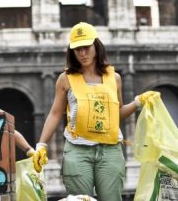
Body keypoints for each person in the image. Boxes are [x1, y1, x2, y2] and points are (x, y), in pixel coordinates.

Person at [32, 22, 152, 201]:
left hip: (110, 151)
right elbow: (56, 113)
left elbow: (116, 115)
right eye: (77, 49)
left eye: (86, 47)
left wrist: (136, 103)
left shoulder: (115, 79)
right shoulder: (65, 79)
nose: (82, 53)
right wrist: (41, 145)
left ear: (96, 46)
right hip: (77, 150)